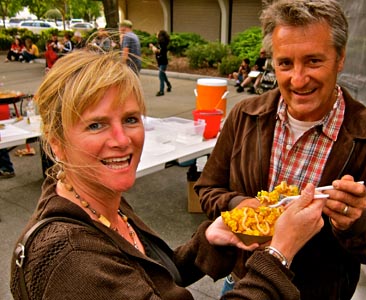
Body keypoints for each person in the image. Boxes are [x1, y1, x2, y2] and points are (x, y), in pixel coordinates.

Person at [10, 50, 326, 300]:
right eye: (96, 124)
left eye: (131, 119)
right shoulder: (72, 260)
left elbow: (149, 279)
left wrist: (209, 239)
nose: (122, 140)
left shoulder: (97, 201)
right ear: (57, 142)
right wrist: (277, 255)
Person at [194, 0, 366, 299]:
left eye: (313, 61)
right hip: (244, 284)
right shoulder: (246, 116)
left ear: (340, 58)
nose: (297, 80)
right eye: (285, 63)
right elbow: (208, 187)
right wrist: (240, 205)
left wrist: (358, 222)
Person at [149, 30, 172, 96]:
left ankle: (161, 91)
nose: (156, 33)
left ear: (160, 35)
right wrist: (153, 47)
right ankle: (169, 85)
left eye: (157, 33)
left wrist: (152, 47)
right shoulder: (159, 43)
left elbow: (158, 51)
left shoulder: (163, 44)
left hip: (163, 62)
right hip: (160, 61)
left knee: (160, 75)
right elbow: (155, 51)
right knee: (163, 75)